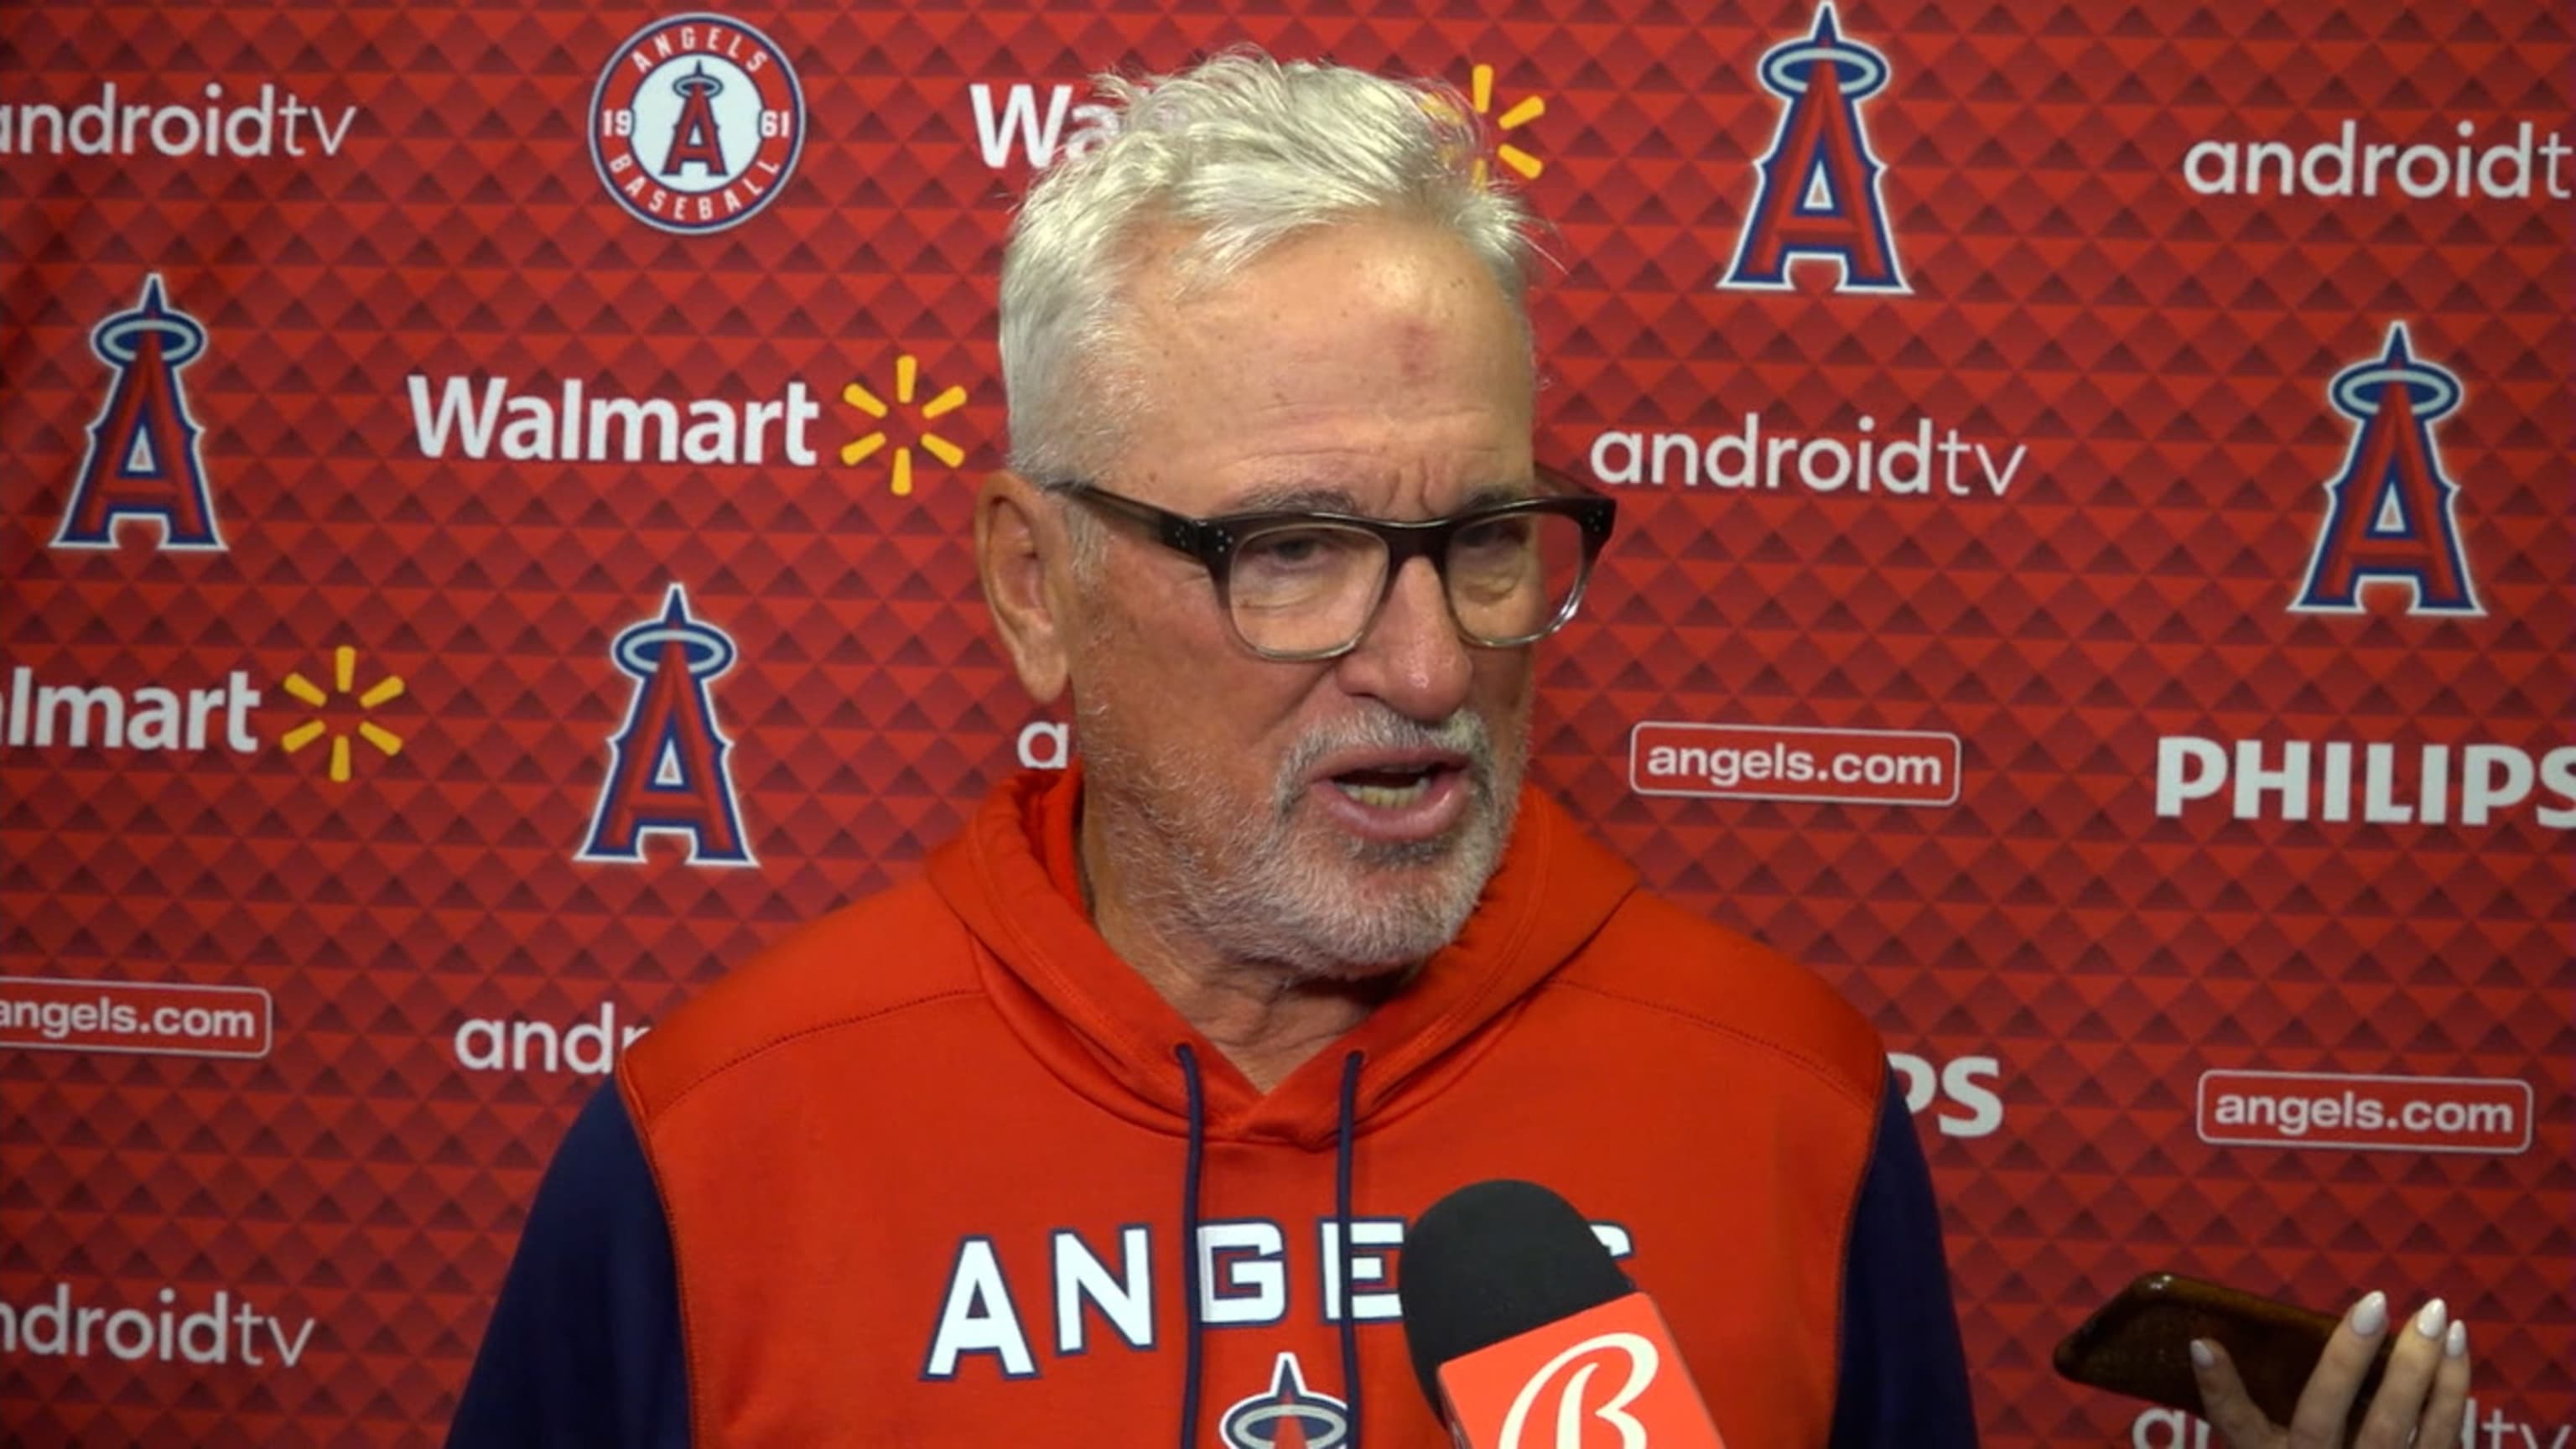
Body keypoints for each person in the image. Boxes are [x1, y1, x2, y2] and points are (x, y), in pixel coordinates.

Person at [446, 51, 2472, 1449]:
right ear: (1032, 584)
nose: (1425, 664)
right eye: (1296, 550)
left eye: (1485, 539)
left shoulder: (1793, 1106)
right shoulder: (715, 1144)